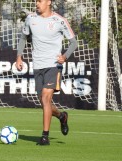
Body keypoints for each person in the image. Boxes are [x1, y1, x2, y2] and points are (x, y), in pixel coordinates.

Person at [15, 0, 77, 145]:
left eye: (40, 1)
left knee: (46, 98)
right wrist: (19, 57)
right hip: (37, 65)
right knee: (43, 102)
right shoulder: (30, 18)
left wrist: (65, 56)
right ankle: (61, 116)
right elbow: (23, 37)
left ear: (48, 2)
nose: (37, 4)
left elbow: (74, 43)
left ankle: (44, 136)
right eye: (36, 1)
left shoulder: (60, 21)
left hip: (53, 65)